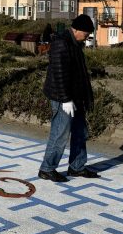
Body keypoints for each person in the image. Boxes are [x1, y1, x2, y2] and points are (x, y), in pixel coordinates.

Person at [38, 14, 100, 182]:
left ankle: (77, 166)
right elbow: (59, 74)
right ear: (77, 30)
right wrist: (65, 99)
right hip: (62, 98)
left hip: (76, 97)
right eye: (86, 34)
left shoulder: (75, 43)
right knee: (60, 133)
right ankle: (47, 169)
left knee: (80, 132)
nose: (87, 37)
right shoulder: (61, 43)